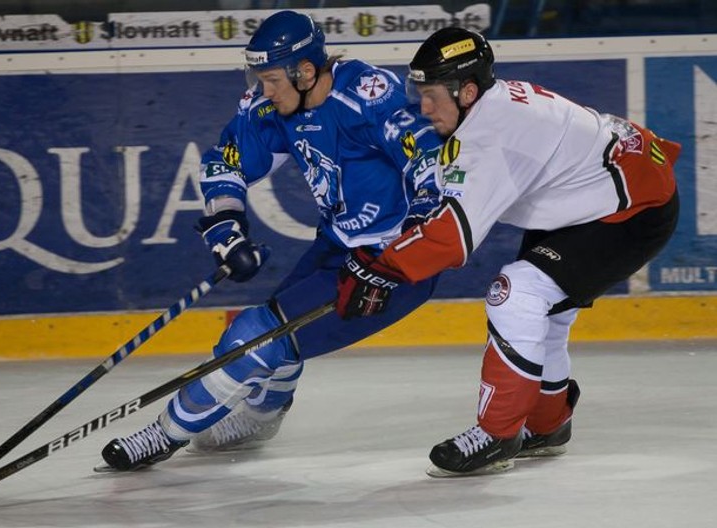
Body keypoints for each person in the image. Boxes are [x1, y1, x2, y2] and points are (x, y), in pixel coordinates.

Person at [98, 10, 445, 471]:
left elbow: (432, 160)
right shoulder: (278, 106)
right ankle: (261, 418)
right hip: (337, 245)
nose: (264, 90)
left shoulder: (366, 94)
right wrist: (226, 228)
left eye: (271, 79)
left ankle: (164, 434)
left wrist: (415, 234)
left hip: (395, 263)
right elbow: (227, 163)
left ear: (304, 72)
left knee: (255, 335)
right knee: (276, 344)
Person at [336, 27, 680, 476]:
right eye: (418, 92)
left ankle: (497, 434)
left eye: (432, 95)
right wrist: (391, 255)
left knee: (515, 293)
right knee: (545, 312)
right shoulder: (482, 111)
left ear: (468, 91)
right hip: (594, 195)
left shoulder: (491, 134)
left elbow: (452, 239)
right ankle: (549, 425)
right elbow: (446, 200)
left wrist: (383, 268)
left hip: (631, 211)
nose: (423, 106)